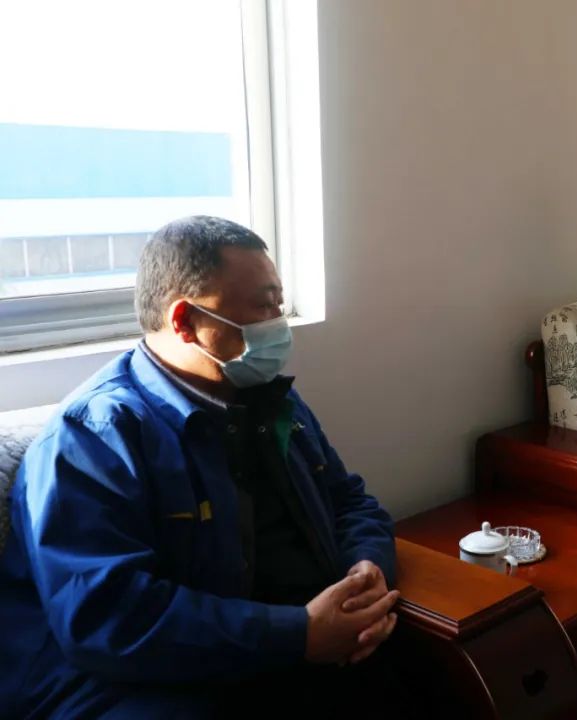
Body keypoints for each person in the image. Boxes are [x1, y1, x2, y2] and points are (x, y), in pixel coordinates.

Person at [0, 216, 404, 718]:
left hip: (286, 647)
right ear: (186, 322)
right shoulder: (94, 437)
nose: (278, 322)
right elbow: (105, 615)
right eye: (263, 306)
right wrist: (296, 635)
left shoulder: (270, 400)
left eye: (278, 303)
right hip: (134, 682)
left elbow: (349, 500)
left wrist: (367, 570)